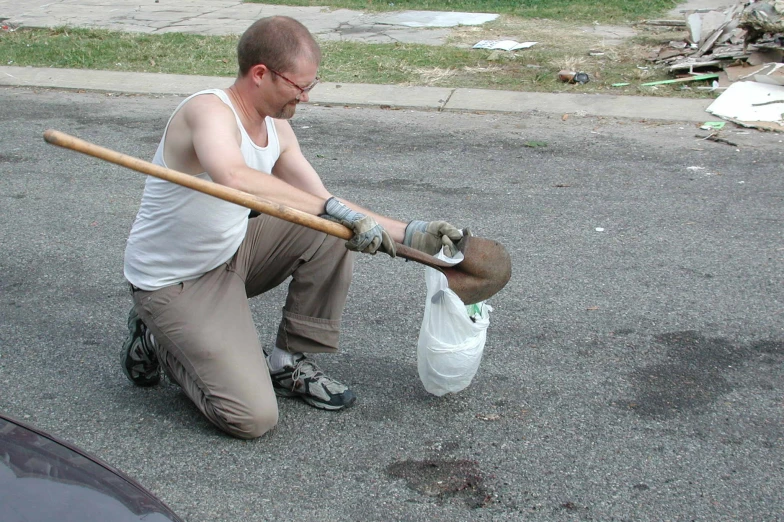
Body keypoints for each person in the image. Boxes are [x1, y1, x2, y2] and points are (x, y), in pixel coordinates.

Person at [120, 16, 463, 439]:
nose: (304, 98)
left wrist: (409, 232)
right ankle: (158, 337)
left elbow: (320, 199)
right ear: (260, 74)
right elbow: (233, 175)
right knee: (252, 418)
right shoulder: (206, 111)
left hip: (232, 253)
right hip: (175, 282)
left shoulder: (276, 126)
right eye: (299, 88)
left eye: (310, 87)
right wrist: (335, 209)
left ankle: (287, 361)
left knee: (331, 230)